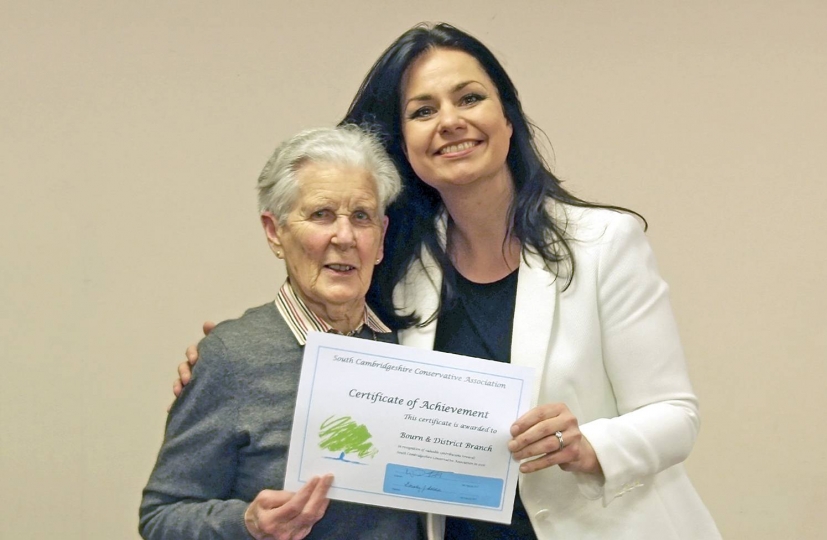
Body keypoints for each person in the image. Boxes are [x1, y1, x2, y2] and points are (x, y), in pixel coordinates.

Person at [175, 23, 721, 539]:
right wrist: (220, 364)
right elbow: (331, 341)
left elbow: (676, 416)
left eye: (469, 98)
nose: (450, 121)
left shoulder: (602, 242)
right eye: (422, 110)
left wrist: (586, 444)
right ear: (405, 144)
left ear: (507, 118)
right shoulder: (396, 265)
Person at [140, 125, 426, 540]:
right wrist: (246, 524)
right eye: (321, 214)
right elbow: (161, 516)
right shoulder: (231, 355)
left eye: (361, 217)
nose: (344, 237)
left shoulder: (410, 349)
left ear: (380, 239)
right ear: (275, 232)